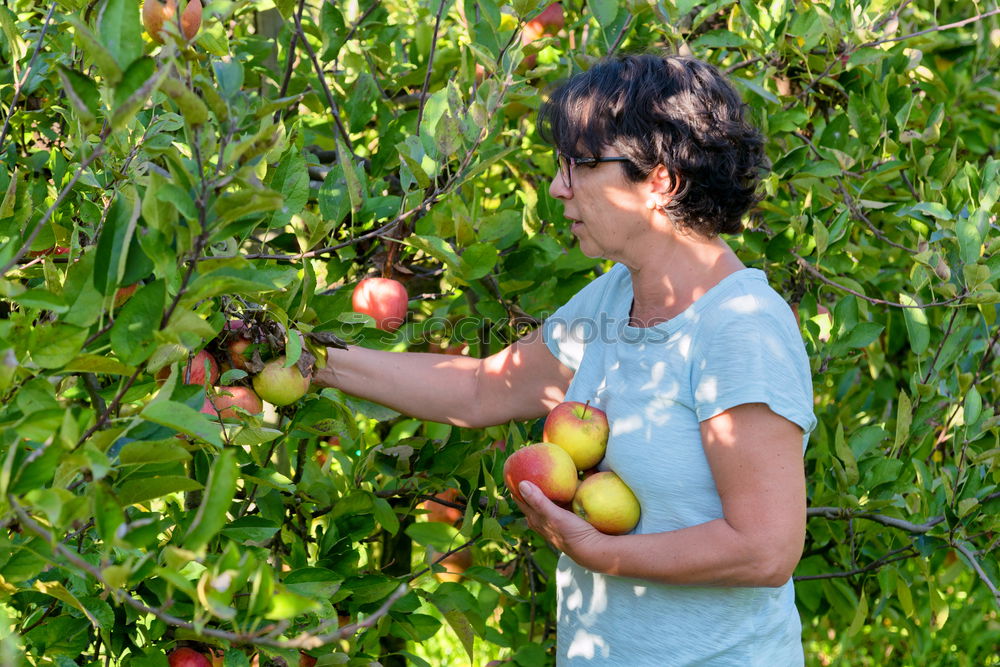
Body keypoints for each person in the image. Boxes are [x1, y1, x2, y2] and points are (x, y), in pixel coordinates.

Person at [314, 53, 815, 665]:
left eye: (580, 165)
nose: (558, 186)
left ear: (662, 180)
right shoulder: (614, 296)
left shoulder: (739, 328)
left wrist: (602, 554)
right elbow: (481, 390)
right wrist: (309, 357)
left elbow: (765, 550)